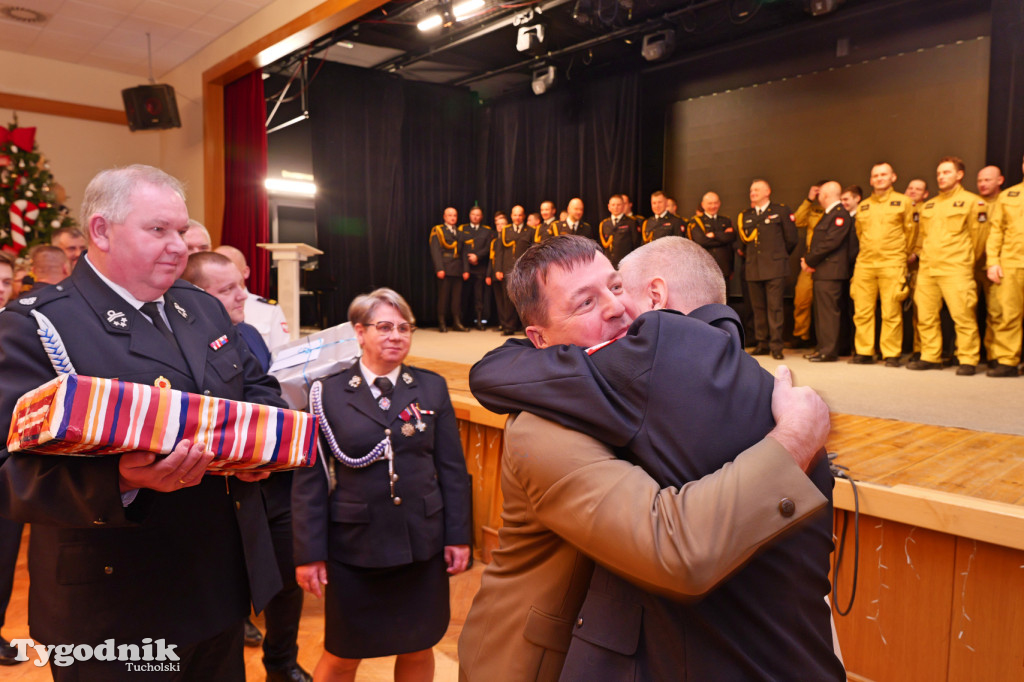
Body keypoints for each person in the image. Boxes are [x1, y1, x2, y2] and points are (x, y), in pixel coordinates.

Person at [465, 235, 841, 681]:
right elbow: (672, 548)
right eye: (586, 303)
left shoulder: (643, 381)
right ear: (539, 339)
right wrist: (795, 439)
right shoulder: (543, 424)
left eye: (618, 287)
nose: (616, 308)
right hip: (526, 663)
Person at [0, 164, 283, 681]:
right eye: (159, 230)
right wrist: (122, 479)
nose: (179, 245)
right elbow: (9, 474)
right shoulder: (38, 325)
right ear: (101, 231)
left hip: (216, 589)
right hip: (111, 606)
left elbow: (254, 389)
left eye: (181, 230)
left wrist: (261, 450)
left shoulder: (201, 309)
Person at [292, 288, 471, 682]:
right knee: (342, 653)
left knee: (418, 645)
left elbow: (453, 470)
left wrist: (458, 536)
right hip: (356, 548)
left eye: (404, 328)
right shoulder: (327, 392)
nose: (396, 336)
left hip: (420, 542)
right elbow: (310, 481)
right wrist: (308, 553)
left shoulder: (431, 387)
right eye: (384, 327)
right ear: (359, 332)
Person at [181, 251, 312, 682]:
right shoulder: (179, 342)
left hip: (271, 483)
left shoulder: (250, 333)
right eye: (228, 290)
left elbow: (264, 391)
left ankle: (282, 660)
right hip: (221, 490)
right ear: (197, 297)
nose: (244, 295)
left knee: (286, 581)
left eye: (242, 284)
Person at [909, 157, 987, 374]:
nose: (941, 177)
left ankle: (968, 359)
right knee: (925, 315)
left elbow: (979, 238)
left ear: (959, 175)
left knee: (963, 316)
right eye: (939, 173)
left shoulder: (974, 202)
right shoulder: (930, 205)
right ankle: (930, 355)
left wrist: (967, 261)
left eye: (946, 172)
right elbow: (923, 237)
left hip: (956, 268)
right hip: (928, 269)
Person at [849, 163, 916, 367]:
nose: (879, 178)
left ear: (893, 177)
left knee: (891, 310)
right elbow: (860, 233)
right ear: (871, 180)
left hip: (892, 262)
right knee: (862, 310)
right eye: (875, 175)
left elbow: (911, 232)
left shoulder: (904, 202)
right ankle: (864, 351)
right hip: (865, 263)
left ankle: (891, 353)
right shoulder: (864, 205)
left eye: (883, 175)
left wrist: (901, 255)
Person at [738, 179, 798, 359]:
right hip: (753, 268)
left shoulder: (780, 211)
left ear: (767, 191)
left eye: (756, 189)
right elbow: (744, 243)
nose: (752, 192)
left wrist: (777, 256)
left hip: (775, 267)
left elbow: (792, 239)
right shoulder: (746, 215)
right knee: (758, 309)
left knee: (775, 308)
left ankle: (776, 346)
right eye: (751, 190)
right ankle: (762, 343)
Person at [802, 182, 855, 362]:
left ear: (824, 195)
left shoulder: (839, 214)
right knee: (822, 313)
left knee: (829, 314)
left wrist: (809, 260)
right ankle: (822, 347)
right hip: (824, 270)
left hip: (831, 271)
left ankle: (829, 351)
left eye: (820, 195)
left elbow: (830, 243)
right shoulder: (830, 214)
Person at [0, 251, 22, 667]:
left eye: (5, 281)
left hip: (6, 462)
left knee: (3, 558)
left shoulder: (18, 327)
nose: (0, 289)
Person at [986, 154, 1024, 377]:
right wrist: (992, 262)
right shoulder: (1009, 195)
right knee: (1008, 314)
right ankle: (1008, 361)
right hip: (1011, 263)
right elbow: (996, 231)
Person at [214, 244, 290, 352]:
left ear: (245, 272)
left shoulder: (269, 309)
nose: (223, 272)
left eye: (229, 265)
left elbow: (281, 354)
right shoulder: (206, 307)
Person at [791, 182, 827, 349]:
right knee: (801, 299)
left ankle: (826, 339)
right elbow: (797, 220)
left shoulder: (836, 208)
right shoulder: (813, 209)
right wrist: (809, 199)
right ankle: (801, 335)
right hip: (809, 261)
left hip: (828, 261)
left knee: (826, 303)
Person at [976, 165, 1005, 365]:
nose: (982, 184)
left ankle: (995, 355)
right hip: (971, 265)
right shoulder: (972, 202)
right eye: (980, 180)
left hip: (996, 265)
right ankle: (965, 353)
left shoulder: (1007, 201)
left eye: (987, 180)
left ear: (1000, 180)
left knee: (997, 312)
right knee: (966, 312)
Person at [429, 207, 469, 333]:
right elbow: (435, 251)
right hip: (445, 268)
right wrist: (439, 268)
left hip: (457, 269)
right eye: (450, 215)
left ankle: (456, 322)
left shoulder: (459, 232)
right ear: (444, 217)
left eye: (455, 215)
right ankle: (442, 322)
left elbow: (464, 252)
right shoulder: (438, 230)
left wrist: (465, 269)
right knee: (444, 297)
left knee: (456, 298)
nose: (452, 218)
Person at [458, 206, 494, 330]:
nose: (475, 217)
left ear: (481, 217)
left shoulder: (487, 230)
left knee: (479, 297)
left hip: (480, 268)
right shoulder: (463, 229)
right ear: (469, 215)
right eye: (473, 214)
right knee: (463, 296)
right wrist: (467, 262)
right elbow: (461, 247)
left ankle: (479, 321)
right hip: (465, 268)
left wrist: (477, 256)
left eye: (478, 215)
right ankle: (462, 321)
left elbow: (489, 247)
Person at [687, 191, 736, 279]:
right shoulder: (696, 221)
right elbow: (702, 241)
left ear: (719, 203)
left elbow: (731, 237)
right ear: (703, 205)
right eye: (710, 203)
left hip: (724, 267)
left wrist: (714, 235)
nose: (713, 206)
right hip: (704, 267)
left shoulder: (726, 220)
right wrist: (723, 238)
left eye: (715, 203)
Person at [597, 194, 638, 267]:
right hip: (608, 265)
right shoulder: (604, 224)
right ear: (609, 207)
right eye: (613, 205)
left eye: (618, 205)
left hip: (625, 264)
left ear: (623, 206)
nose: (615, 207)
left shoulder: (631, 222)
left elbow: (636, 245)